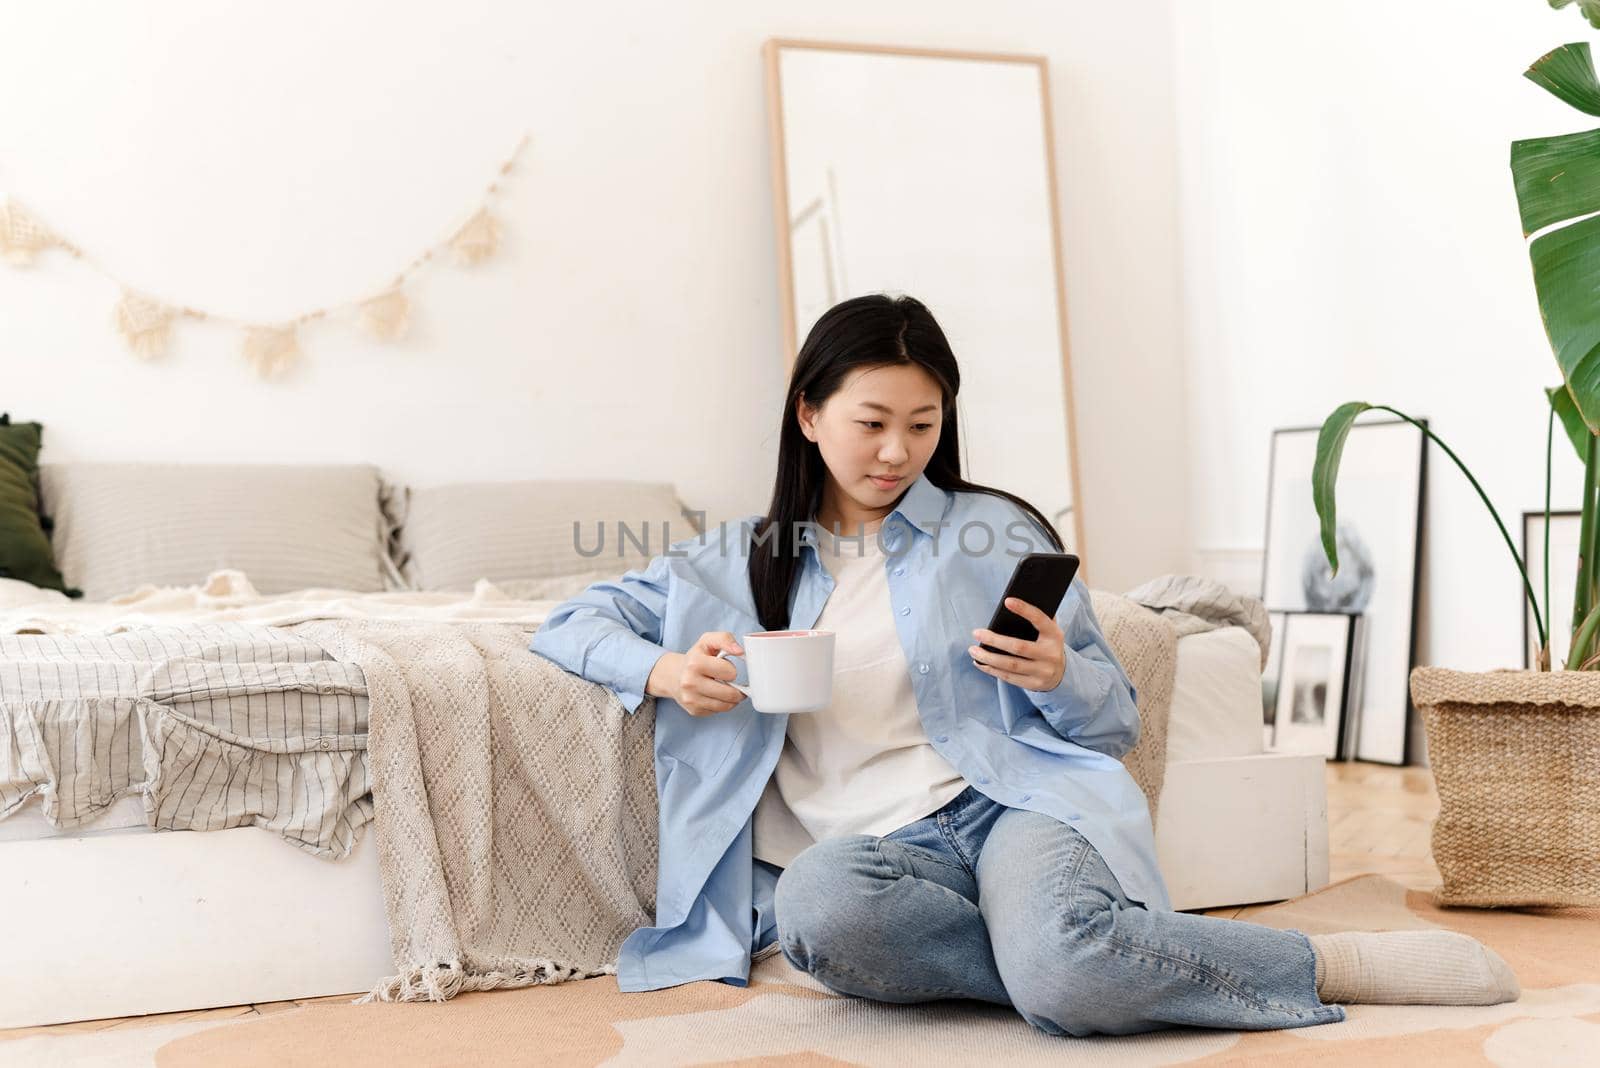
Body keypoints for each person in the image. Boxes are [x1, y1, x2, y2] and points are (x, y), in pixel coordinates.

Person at [529, 294, 1519, 1037]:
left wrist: (1059, 675)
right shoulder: (731, 561)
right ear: (808, 415)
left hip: (1011, 806)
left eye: (922, 426)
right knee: (817, 917)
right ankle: (1060, 954)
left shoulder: (991, 530)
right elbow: (572, 622)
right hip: (871, 858)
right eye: (870, 422)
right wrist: (664, 673)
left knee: (1063, 973)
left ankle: (1328, 962)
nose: (895, 452)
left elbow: (1111, 722)